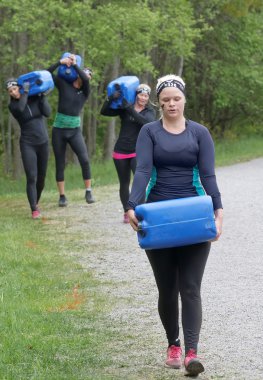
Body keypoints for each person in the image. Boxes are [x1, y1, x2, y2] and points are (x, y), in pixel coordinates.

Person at [127, 75, 223, 376]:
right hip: (158, 219)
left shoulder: (200, 133)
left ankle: (192, 353)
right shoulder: (149, 132)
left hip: (194, 215)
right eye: (165, 99)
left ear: (184, 99)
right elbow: (142, 170)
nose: (171, 103)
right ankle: (174, 344)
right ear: (159, 101)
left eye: (176, 98)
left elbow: (208, 176)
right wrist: (132, 205)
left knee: (191, 287)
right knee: (167, 289)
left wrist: (218, 209)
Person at [100, 83, 156, 223]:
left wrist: (129, 108)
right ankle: (127, 212)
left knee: (139, 181)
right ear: (136, 94)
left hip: (138, 151)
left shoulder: (149, 111)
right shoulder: (125, 108)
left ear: (148, 97)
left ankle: (140, 211)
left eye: (146, 96)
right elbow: (104, 112)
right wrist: (110, 99)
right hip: (120, 150)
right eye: (141, 94)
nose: (143, 98)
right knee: (124, 183)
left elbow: (145, 123)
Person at [47, 54, 95, 207]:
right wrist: (59, 62)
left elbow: (85, 80)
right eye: (86, 73)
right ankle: (62, 196)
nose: (87, 77)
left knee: (85, 160)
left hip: (74, 131)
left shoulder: (85, 91)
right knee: (60, 163)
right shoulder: (64, 84)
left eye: (89, 75)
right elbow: (47, 74)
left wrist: (75, 65)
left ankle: (88, 191)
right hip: (59, 131)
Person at [6, 78, 51, 219]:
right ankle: (34, 209)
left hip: (43, 142)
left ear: (18, 87)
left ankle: (35, 202)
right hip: (28, 144)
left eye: (14, 89)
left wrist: (42, 97)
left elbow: (48, 113)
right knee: (32, 176)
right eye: (10, 91)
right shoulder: (12, 106)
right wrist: (25, 91)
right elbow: (21, 108)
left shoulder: (33, 98)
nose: (13, 93)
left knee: (41, 178)